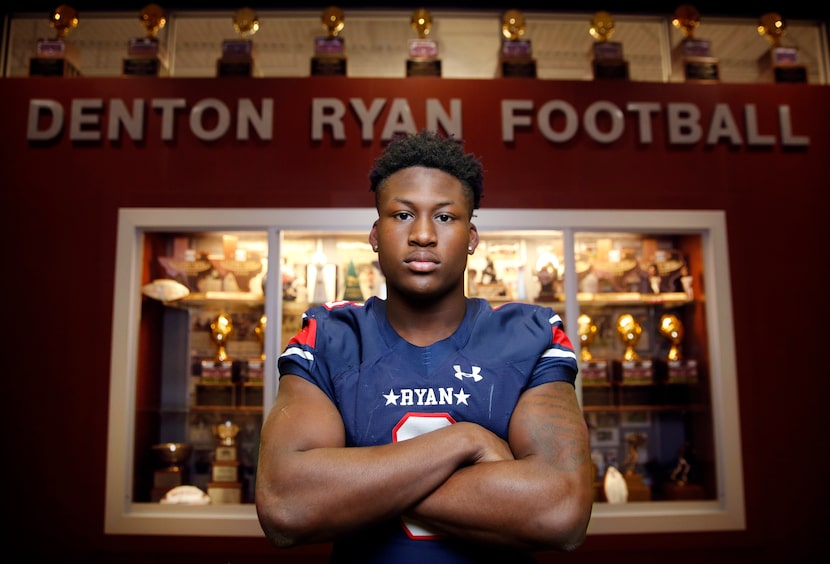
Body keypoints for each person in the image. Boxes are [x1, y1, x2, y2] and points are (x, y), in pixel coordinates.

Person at [255, 130, 593, 563]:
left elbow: (560, 512)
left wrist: (357, 485)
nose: (422, 235)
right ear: (375, 234)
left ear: (472, 238)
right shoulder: (331, 338)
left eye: (445, 217)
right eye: (401, 215)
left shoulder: (528, 334)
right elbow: (286, 505)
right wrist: (465, 441)